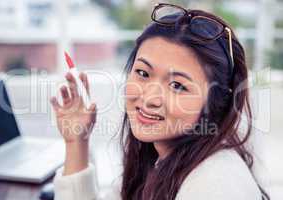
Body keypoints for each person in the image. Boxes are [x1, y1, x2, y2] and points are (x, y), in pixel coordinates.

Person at [50, 3, 269, 200]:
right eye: (143, 73)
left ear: (216, 102)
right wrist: (76, 141)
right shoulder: (157, 159)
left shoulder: (216, 185)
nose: (150, 97)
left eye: (177, 86)